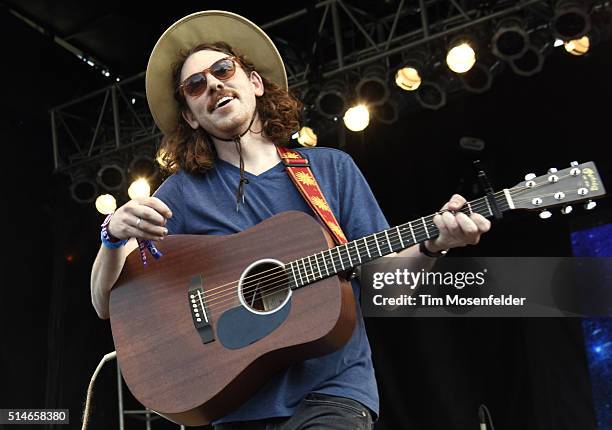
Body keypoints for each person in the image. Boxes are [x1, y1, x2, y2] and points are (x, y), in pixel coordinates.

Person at [90, 10, 491, 429]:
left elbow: (384, 285)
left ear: (255, 83)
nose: (213, 85)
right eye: (195, 85)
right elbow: (106, 303)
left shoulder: (330, 170)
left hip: (332, 394)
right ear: (191, 116)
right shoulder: (181, 194)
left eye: (223, 69)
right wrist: (112, 238)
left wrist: (433, 244)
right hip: (234, 403)